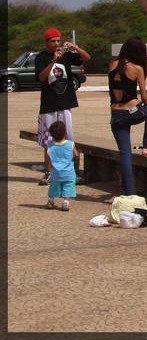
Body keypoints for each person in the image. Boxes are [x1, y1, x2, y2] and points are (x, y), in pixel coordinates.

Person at [35, 28, 90, 186]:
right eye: (53, 41)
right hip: (49, 103)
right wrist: (53, 60)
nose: (56, 44)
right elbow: (41, 77)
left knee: (68, 138)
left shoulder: (65, 56)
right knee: (48, 140)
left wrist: (75, 48)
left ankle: (72, 172)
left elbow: (86, 57)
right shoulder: (41, 57)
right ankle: (48, 172)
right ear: (46, 42)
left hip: (65, 102)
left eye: (58, 41)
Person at [109, 36, 147, 196]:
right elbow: (144, 97)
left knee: (125, 154)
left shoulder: (112, 64)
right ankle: (146, 147)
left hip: (115, 113)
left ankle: (128, 194)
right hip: (132, 112)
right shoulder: (137, 68)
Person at [45, 120, 79, 211]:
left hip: (55, 173)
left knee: (53, 186)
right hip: (68, 173)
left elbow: (49, 158)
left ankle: (50, 201)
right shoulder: (70, 144)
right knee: (68, 187)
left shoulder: (50, 146)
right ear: (65, 132)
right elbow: (76, 155)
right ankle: (65, 202)